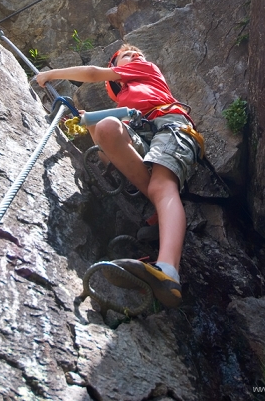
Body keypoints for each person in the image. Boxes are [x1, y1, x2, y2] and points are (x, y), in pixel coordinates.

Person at [36, 44, 197, 308]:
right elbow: (112, 140)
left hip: (171, 126)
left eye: (138, 54)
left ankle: (168, 271)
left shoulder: (146, 69)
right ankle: (160, 204)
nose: (136, 56)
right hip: (143, 131)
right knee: (107, 128)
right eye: (128, 55)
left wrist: (50, 75)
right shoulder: (127, 101)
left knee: (161, 186)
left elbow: (90, 72)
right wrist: (88, 121)